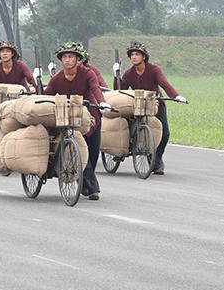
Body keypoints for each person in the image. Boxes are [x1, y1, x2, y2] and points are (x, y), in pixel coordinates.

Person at [44, 41, 110, 201]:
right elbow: (47, 96)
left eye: (71, 57)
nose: (67, 60)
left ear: (78, 59)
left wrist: (101, 102)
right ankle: (93, 188)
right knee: (80, 152)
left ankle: (85, 183)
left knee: (93, 153)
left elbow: (95, 88)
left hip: (90, 118)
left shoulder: (88, 73)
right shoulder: (57, 78)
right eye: (65, 57)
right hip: (69, 120)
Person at [113, 42, 186, 175]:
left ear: (144, 57)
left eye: (137, 54)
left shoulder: (153, 69)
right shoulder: (129, 73)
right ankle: (154, 163)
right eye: (132, 55)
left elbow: (164, 83)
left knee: (164, 134)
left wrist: (176, 96)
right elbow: (119, 90)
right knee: (144, 134)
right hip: (138, 106)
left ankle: (157, 158)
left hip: (156, 105)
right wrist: (116, 74)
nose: (134, 57)